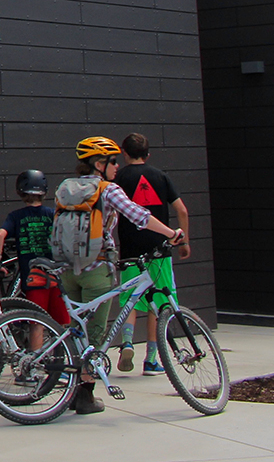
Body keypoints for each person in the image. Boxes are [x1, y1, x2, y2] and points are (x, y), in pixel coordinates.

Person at [54, 136, 186, 414]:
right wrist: (171, 233)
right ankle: (85, 396)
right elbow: (139, 215)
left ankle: (69, 386)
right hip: (97, 269)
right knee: (96, 333)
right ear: (100, 164)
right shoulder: (107, 189)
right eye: (112, 161)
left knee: (76, 329)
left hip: (67, 268)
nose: (117, 166)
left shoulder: (66, 188)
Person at [112, 133, 190, 375]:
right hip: (159, 248)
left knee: (129, 300)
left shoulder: (119, 178)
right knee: (160, 303)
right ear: (148, 154)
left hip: (130, 250)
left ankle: (126, 343)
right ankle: (152, 360)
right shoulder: (160, 176)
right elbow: (182, 210)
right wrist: (183, 240)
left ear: (124, 153)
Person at [0, 169, 67, 326]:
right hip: (56, 276)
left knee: (37, 323)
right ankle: (65, 350)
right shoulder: (52, 214)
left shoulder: (16, 216)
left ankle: (36, 351)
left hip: (33, 278)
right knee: (62, 323)